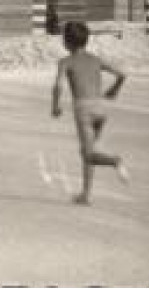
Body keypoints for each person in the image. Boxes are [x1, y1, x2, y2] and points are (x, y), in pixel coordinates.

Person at [51, 21, 129, 206]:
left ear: (66, 42)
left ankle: (114, 161)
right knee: (88, 151)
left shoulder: (66, 62)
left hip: (83, 109)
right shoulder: (95, 59)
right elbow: (122, 75)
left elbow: (58, 86)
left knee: (88, 154)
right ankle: (85, 195)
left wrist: (55, 107)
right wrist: (114, 91)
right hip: (101, 108)